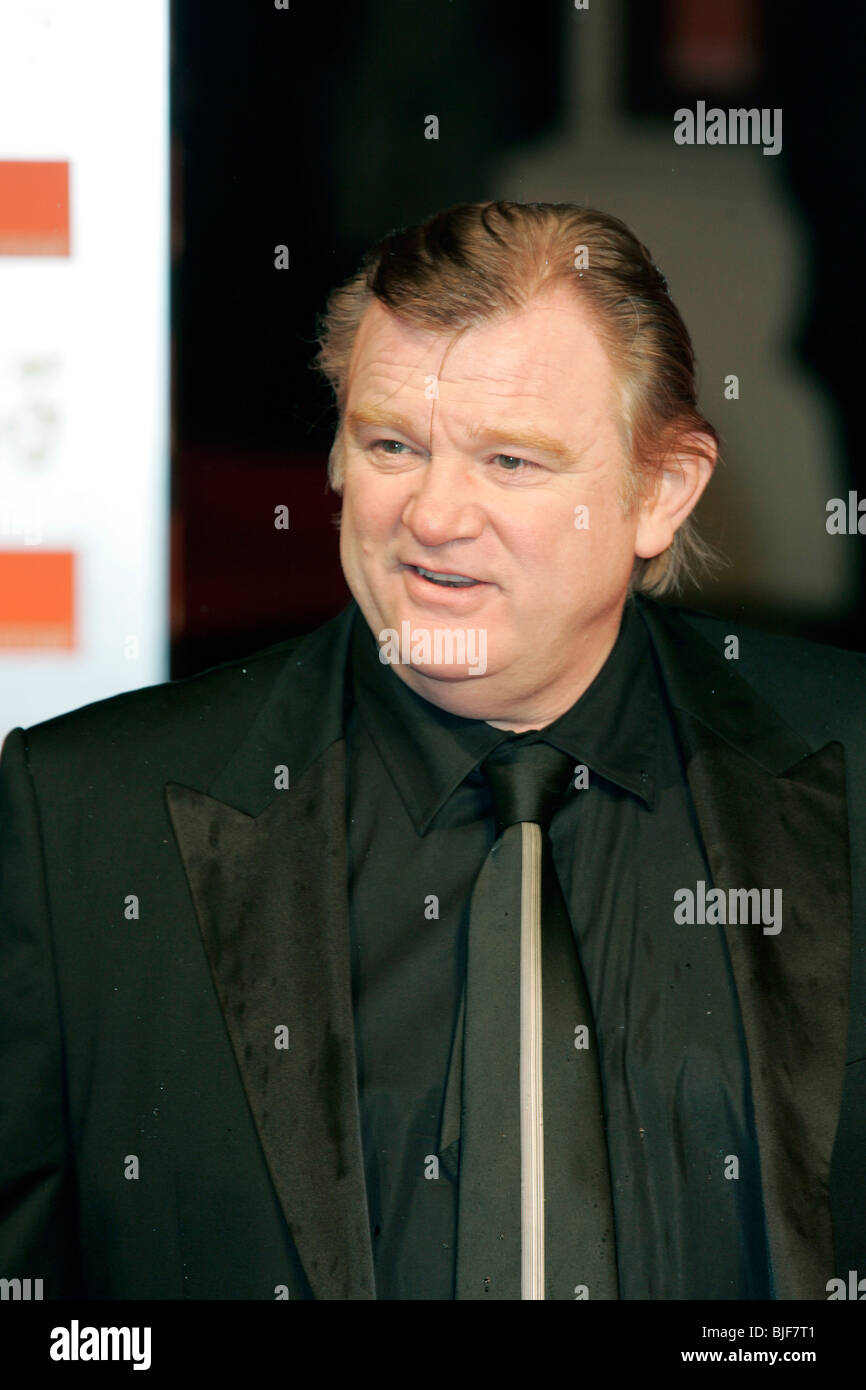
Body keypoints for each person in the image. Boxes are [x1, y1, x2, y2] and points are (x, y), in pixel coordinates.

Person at [0, 200, 862, 1301]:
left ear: (659, 490)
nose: (435, 514)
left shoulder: (847, 774)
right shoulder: (86, 821)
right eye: (391, 444)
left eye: (509, 460)